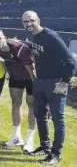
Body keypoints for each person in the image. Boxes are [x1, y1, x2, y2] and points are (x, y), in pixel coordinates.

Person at [22, 11, 76, 164]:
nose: (28, 24)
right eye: (25, 21)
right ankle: (45, 147)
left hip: (55, 82)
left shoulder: (52, 37)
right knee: (40, 115)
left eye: (31, 20)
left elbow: (71, 62)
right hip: (40, 81)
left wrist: (64, 82)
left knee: (58, 119)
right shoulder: (31, 36)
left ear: (38, 20)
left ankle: (56, 154)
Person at [0, 27, 37, 153]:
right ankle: (16, 136)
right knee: (15, 104)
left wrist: (37, 86)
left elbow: (31, 70)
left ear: (5, 37)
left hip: (31, 78)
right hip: (15, 78)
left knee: (32, 105)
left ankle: (30, 139)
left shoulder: (20, 49)